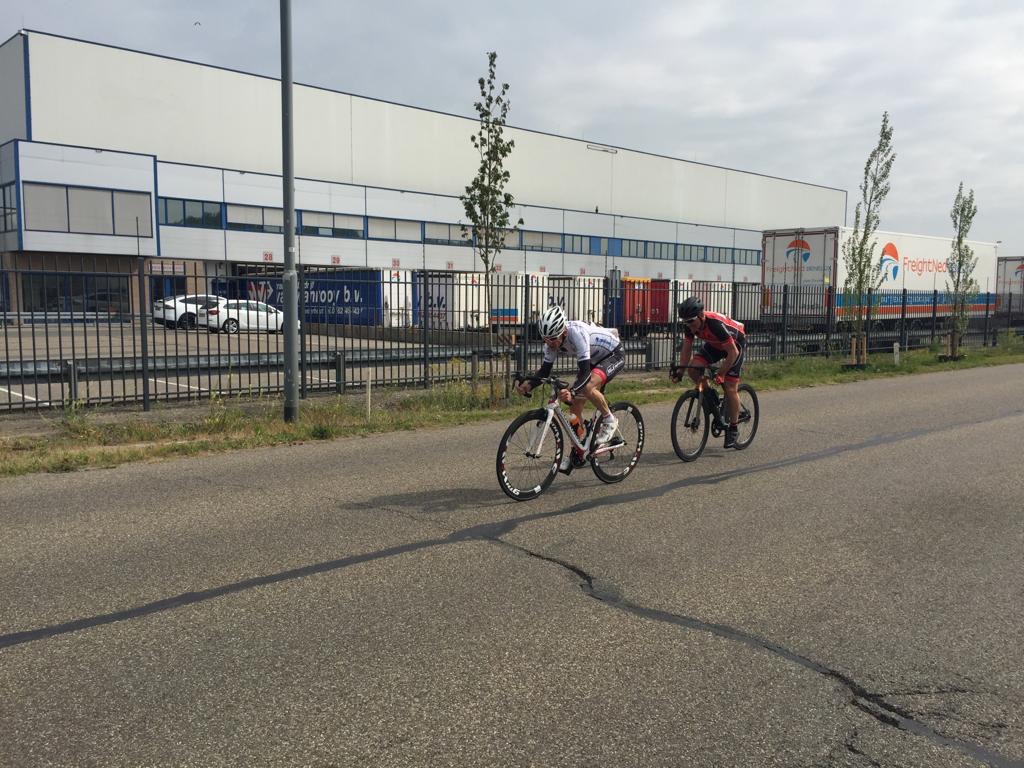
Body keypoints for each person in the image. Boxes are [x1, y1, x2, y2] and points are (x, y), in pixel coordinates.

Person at [516, 305, 626, 471]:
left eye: (553, 339)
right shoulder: (551, 343)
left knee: (587, 387)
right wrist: (529, 384)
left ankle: (609, 419)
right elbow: (545, 371)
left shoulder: (577, 333)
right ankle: (579, 450)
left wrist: (572, 392)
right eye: (545, 339)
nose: (549, 343)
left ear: (564, 332)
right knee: (574, 408)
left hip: (612, 354)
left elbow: (585, 372)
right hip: (592, 359)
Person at [671, 296, 747, 449]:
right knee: (693, 369)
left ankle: (733, 428)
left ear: (701, 315)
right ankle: (710, 394)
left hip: (735, 346)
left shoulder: (715, 324)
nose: (689, 325)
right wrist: (681, 371)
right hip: (715, 345)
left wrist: (722, 373)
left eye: (691, 321)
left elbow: (733, 352)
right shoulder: (690, 325)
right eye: (685, 322)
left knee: (730, 387)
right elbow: (687, 348)